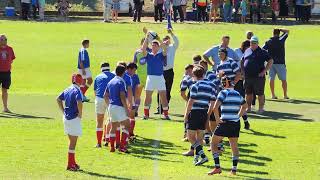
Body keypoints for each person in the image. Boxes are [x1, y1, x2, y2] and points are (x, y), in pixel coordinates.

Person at [207, 76, 248, 175]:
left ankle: (217, 167)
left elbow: (215, 107)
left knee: (213, 143)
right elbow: (245, 107)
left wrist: (217, 119)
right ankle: (234, 170)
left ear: (223, 84)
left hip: (224, 122)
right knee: (234, 145)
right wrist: (238, 116)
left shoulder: (223, 93)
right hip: (235, 123)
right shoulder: (237, 94)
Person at [184, 65, 216, 166]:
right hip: (204, 112)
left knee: (190, 137)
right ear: (203, 73)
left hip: (194, 113)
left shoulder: (195, 86)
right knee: (200, 137)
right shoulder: (211, 85)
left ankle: (203, 156)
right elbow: (212, 103)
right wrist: (208, 114)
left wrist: (186, 115)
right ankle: (197, 158)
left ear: (193, 74)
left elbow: (190, 102)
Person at [57, 74, 84, 171]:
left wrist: (63, 111)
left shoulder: (67, 89)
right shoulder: (78, 90)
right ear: (80, 81)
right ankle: (70, 164)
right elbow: (79, 102)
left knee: (71, 141)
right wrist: (80, 114)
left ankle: (72, 162)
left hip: (66, 118)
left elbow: (58, 99)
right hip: (74, 118)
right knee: (73, 142)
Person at [241, 36, 273, 114]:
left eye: (254, 42)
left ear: (257, 43)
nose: (252, 44)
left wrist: (264, 71)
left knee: (260, 93)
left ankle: (261, 108)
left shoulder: (262, 51)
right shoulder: (247, 50)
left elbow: (270, 60)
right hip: (248, 76)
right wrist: (242, 71)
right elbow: (242, 61)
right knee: (248, 93)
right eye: (251, 42)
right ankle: (248, 108)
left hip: (258, 77)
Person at [141, 34, 170, 120]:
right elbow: (143, 49)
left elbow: (165, 48)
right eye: (152, 45)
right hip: (150, 78)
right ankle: (146, 115)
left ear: (158, 47)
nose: (153, 47)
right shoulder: (148, 55)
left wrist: (159, 39)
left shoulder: (161, 54)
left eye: (155, 45)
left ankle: (166, 115)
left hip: (160, 78)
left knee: (163, 97)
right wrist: (146, 38)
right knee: (148, 97)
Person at [104, 65, 131, 153]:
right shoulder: (121, 82)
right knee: (127, 125)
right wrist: (126, 109)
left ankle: (112, 147)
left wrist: (109, 106)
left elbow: (105, 96)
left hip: (111, 107)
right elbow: (122, 96)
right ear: (123, 73)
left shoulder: (110, 82)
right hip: (119, 106)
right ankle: (122, 147)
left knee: (113, 126)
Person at [156, 29, 179, 115]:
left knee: (167, 90)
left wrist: (172, 34)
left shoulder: (172, 47)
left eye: (167, 39)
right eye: (164, 40)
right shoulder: (159, 49)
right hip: (160, 72)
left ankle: (165, 107)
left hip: (169, 71)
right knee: (160, 90)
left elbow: (177, 41)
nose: (166, 41)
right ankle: (159, 108)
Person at [263, 28, 290, 99]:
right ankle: (285, 95)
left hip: (270, 62)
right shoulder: (281, 39)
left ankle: (273, 95)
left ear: (273, 33)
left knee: (271, 79)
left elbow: (263, 49)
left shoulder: (269, 41)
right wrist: (280, 29)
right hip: (280, 63)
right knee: (283, 79)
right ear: (278, 33)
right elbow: (287, 31)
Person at [93, 63, 115, 148]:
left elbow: (95, 91)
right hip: (110, 99)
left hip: (99, 99)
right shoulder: (113, 76)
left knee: (99, 122)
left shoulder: (98, 77)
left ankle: (98, 143)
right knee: (111, 120)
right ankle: (108, 139)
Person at [0, 35, 15, 113]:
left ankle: (5, 108)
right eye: (2, 39)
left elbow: (11, 59)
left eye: (5, 39)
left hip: (7, 73)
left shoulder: (10, 49)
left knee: (5, 90)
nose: (4, 40)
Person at [126, 62, 140, 139]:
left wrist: (136, 100)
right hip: (124, 99)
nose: (134, 72)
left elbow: (137, 88)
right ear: (128, 69)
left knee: (132, 116)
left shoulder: (135, 76)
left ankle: (131, 133)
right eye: (133, 70)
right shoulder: (124, 76)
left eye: (135, 71)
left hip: (132, 98)